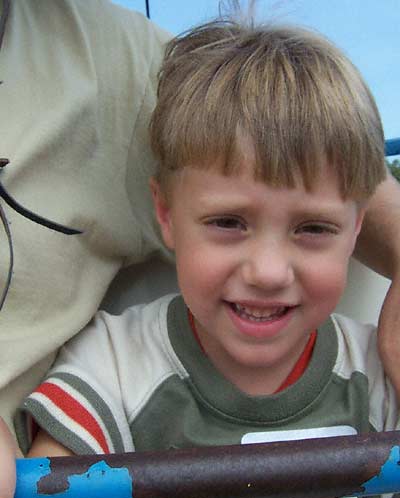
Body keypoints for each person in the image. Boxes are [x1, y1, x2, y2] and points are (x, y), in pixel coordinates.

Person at [1, 0, 400, 460]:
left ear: (356, 231)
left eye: (313, 228)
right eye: (228, 223)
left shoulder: (380, 378)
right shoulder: (113, 368)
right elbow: (58, 478)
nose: (268, 272)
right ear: (166, 216)